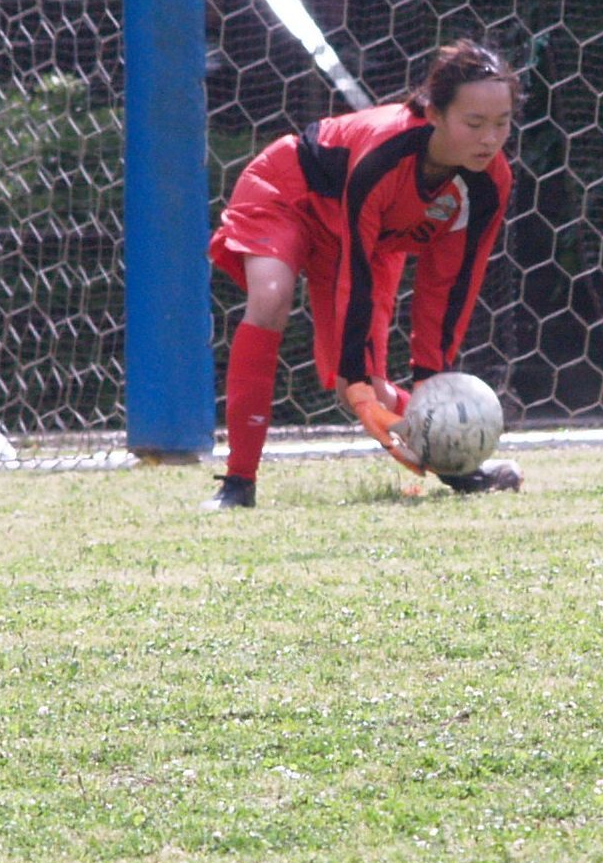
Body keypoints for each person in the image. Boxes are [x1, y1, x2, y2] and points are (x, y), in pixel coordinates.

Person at [205, 39, 524, 510]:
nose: (489, 139)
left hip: (366, 242)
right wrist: (356, 375)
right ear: (434, 114)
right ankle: (237, 484)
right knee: (271, 299)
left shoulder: (489, 183)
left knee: (359, 389)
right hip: (289, 195)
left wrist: (430, 385)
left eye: (502, 123)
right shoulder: (384, 154)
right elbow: (356, 265)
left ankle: (453, 462)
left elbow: (450, 287)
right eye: (473, 123)